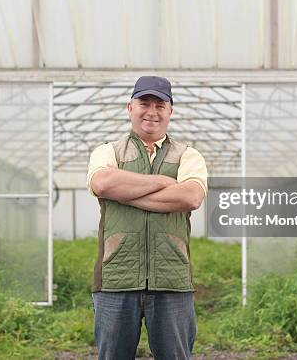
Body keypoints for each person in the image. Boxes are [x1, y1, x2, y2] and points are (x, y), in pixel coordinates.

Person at [87, 76, 208, 360]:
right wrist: (164, 182)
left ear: (170, 111)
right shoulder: (108, 151)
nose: (151, 111)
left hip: (172, 278)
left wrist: (126, 192)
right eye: (144, 103)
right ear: (130, 107)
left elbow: (190, 197)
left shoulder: (189, 156)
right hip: (116, 277)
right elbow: (103, 184)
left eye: (160, 105)